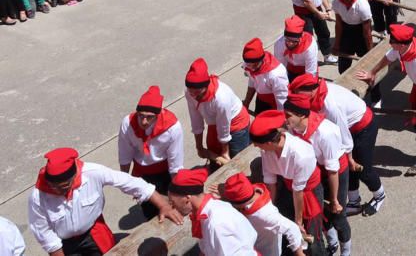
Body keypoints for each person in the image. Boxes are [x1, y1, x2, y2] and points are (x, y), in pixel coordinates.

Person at [29, 147, 180, 255]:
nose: (59, 192)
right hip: (63, 244)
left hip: (94, 231)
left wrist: (163, 204)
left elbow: (129, 182)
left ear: (75, 175)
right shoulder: (38, 195)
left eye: (64, 187)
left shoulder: (93, 172)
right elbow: (42, 230)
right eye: (54, 187)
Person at [355, 24, 416, 176]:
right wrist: (372, 73)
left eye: (392, 40)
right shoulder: (401, 49)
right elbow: (387, 58)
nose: (389, 42)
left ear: (401, 44)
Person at [288, 73, 385, 217]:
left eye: (298, 93)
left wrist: (350, 157)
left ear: (311, 90)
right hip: (349, 129)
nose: (297, 97)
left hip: (364, 127)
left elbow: (343, 132)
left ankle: (379, 195)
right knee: (349, 168)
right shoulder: (317, 95)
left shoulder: (329, 104)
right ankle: (354, 201)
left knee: (363, 169)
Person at [283, 93, 353, 256]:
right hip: (317, 170)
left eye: (288, 115)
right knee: (321, 211)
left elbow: (333, 170)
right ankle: (333, 243)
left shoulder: (325, 132)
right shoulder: (294, 126)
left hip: (335, 171)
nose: (285, 119)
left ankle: (346, 251)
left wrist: (335, 200)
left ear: (301, 115)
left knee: (338, 215)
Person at [249, 110, 325, 247]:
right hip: (289, 187)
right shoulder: (266, 150)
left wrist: (298, 221)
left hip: (308, 191)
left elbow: (298, 191)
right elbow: (270, 181)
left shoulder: (301, 154)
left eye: (257, 143)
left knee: (313, 235)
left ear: (269, 142)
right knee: (285, 229)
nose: (255, 146)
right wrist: (269, 209)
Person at [117, 86, 184, 219]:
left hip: (164, 173)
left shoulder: (172, 127)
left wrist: (176, 191)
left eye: (149, 117)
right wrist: (125, 180)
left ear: (158, 115)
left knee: (171, 209)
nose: (144, 121)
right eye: (140, 116)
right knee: (149, 212)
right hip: (141, 174)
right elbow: (125, 154)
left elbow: (175, 163)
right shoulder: (127, 123)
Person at [168, 168, 257, 256]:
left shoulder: (216, 224)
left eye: (172, 202)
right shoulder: (211, 207)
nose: (172, 207)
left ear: (187, 198)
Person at [219, 172, 306, 256]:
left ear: (241, 204)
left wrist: (299, 253)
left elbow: (292, 228)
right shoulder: (256, 193)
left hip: (266, 252)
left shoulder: (264, 214)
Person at [184, 58, 252, 166]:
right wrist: (199, 146)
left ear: (206, 86)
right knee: (215, 157)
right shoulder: (189, 93)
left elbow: (223, 126)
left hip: (236, 123)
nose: (194, 96)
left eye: (197, 92)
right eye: (191, 91)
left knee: (237, 160)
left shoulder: (220, 98)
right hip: (214, 122)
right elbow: (196, 120)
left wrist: (225, 152)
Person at [242, 37, 290, 113]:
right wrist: (247, 102)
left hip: (275, 103)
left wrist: (281, 119)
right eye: (249, 65)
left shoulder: (276, 74)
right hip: (261, 99)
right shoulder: (248, 64)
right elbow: (252, 81)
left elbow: (282, 99)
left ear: (262, 59)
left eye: (255, 65)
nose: (252, 68)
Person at [275, 15, 320, 81]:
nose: (290, 44)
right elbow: (280, 67)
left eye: (294, 41)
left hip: (306, 70)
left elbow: (311, 72)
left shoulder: (310, 46)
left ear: (301, 37)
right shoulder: (279, 43)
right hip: (289, 69)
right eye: (287, 40)